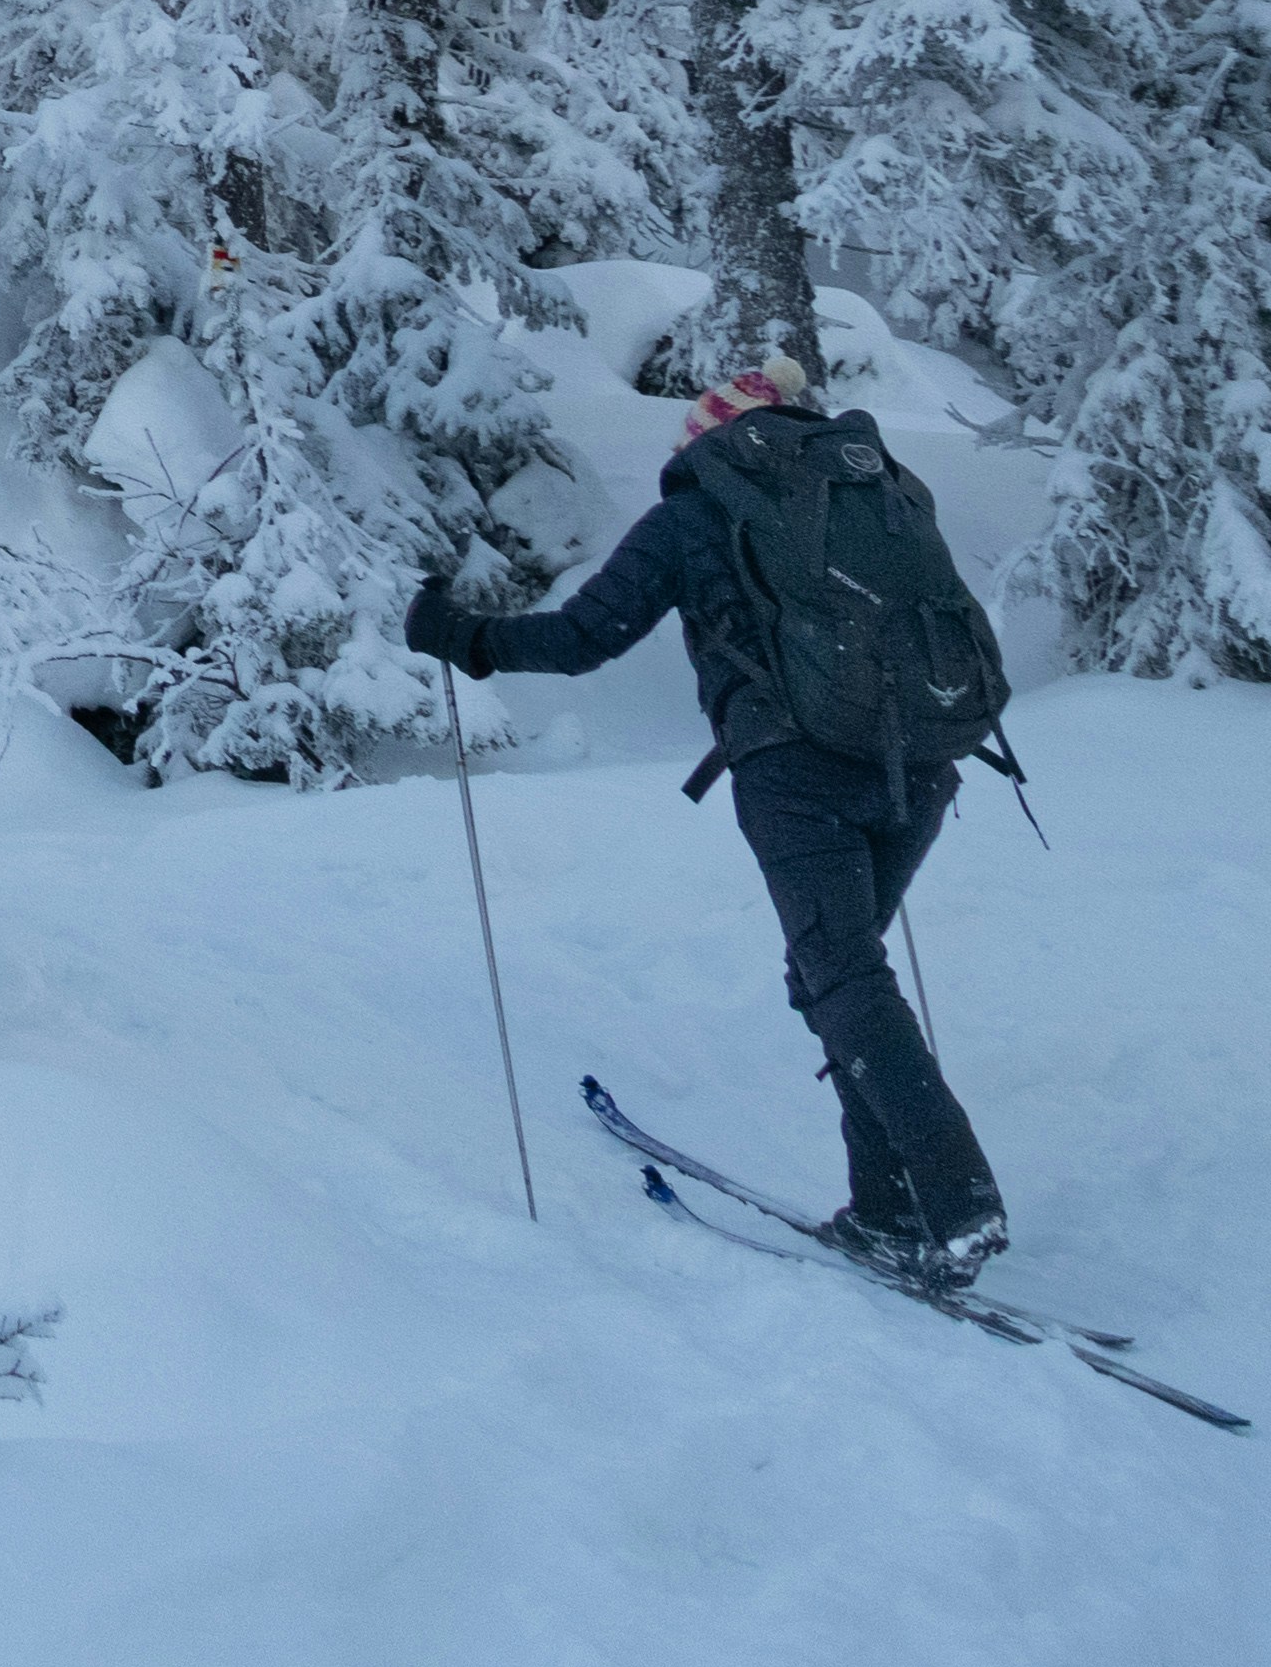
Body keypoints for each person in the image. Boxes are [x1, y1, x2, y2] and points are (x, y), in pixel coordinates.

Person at [403, 356, 1009, 1286]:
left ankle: (958, 1199)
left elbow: (582, 639)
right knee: (838, 978)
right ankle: (888, 1207)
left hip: (794, 770)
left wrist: (460, 636)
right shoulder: (877, 487)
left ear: (709, 441)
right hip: (920, 763)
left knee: (842, 976)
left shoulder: (694, 513)